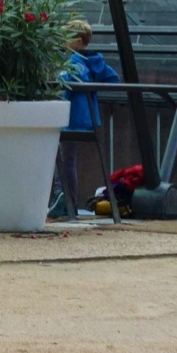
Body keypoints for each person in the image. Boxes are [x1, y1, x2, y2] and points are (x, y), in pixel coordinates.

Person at [53, 21, 120, 218]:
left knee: (64, 159)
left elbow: (71, 78)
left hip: (72, 117)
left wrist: (62, 77)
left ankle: (65, 200)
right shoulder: (97, 61)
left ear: (78, 40)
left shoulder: (76, 61)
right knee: (68, 159)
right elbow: (113, 78)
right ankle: (66, 200)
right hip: (89, 118)